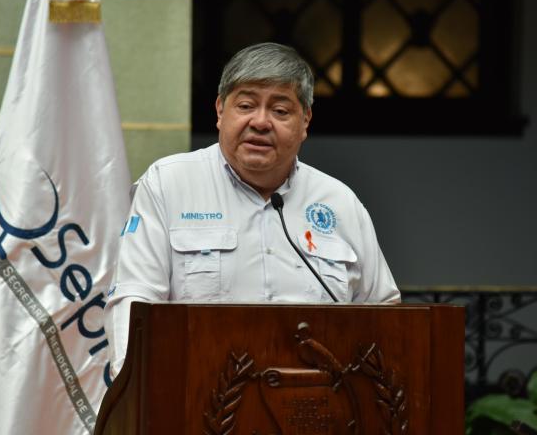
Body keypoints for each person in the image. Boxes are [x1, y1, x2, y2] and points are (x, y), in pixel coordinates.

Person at [104, 42, 400, 377]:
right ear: (219, 110)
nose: (260, 122)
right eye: (245, 105)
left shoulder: (339, 202)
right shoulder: (168, 184)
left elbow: (385, 314)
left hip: (316, 408)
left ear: (305, 121)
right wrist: (137, 392)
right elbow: (135, 301)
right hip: (196, 400)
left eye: (281, 111)